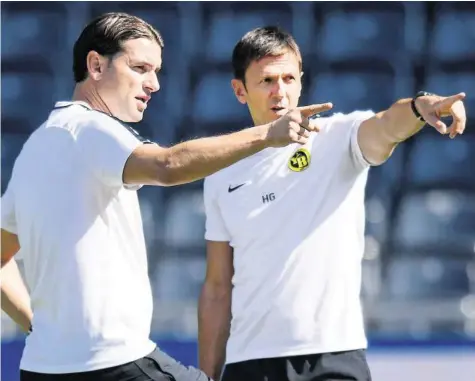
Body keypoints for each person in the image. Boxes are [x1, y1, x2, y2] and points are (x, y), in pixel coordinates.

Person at [0, 14, 332, 381]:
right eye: (140, 68)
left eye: (156, 71)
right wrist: (267, 135)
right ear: (96, 65)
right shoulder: (91, 129)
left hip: (42, 369)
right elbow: (168, 165)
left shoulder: (37, 147)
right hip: (115, 365)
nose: (154, 84)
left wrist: (41, 328)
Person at [198, 26, 467, 381]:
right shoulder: (220, 173)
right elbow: (217, 288)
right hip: (251, 362)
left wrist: (420, 106)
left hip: (333, 359)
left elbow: (387, 125)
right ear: (239, 90)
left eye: (289, 78)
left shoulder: (337, 138)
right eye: (266, 81)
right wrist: (205, 375)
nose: (280, 91)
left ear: (301, 81)